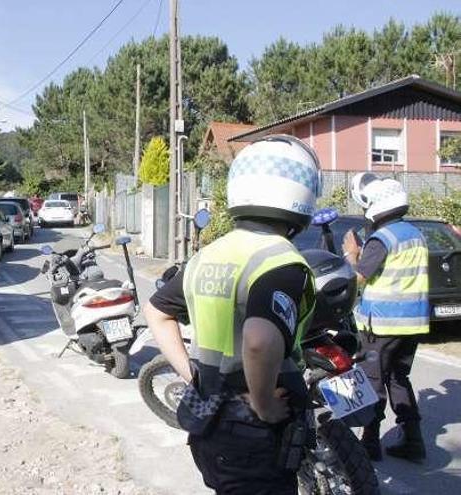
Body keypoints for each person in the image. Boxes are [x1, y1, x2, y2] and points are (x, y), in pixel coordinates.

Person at [144, 135, 320, 494]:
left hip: (210, 425)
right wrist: (264, 403)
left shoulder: (206, 256)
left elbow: (156, 310)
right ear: (303, 194)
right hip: (253, 434)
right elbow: (258, 340)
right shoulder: (281, 261)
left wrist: (193, 375)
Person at [344, 173, 429, 463]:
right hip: (413, 323)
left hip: (382, 323)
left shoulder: (382, 238)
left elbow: (358, 278)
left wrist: (351, 254)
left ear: (375, 206)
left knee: (373, 381)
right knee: (398, 378)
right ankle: (414, 441)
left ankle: (369, 445)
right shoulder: (415, 234)